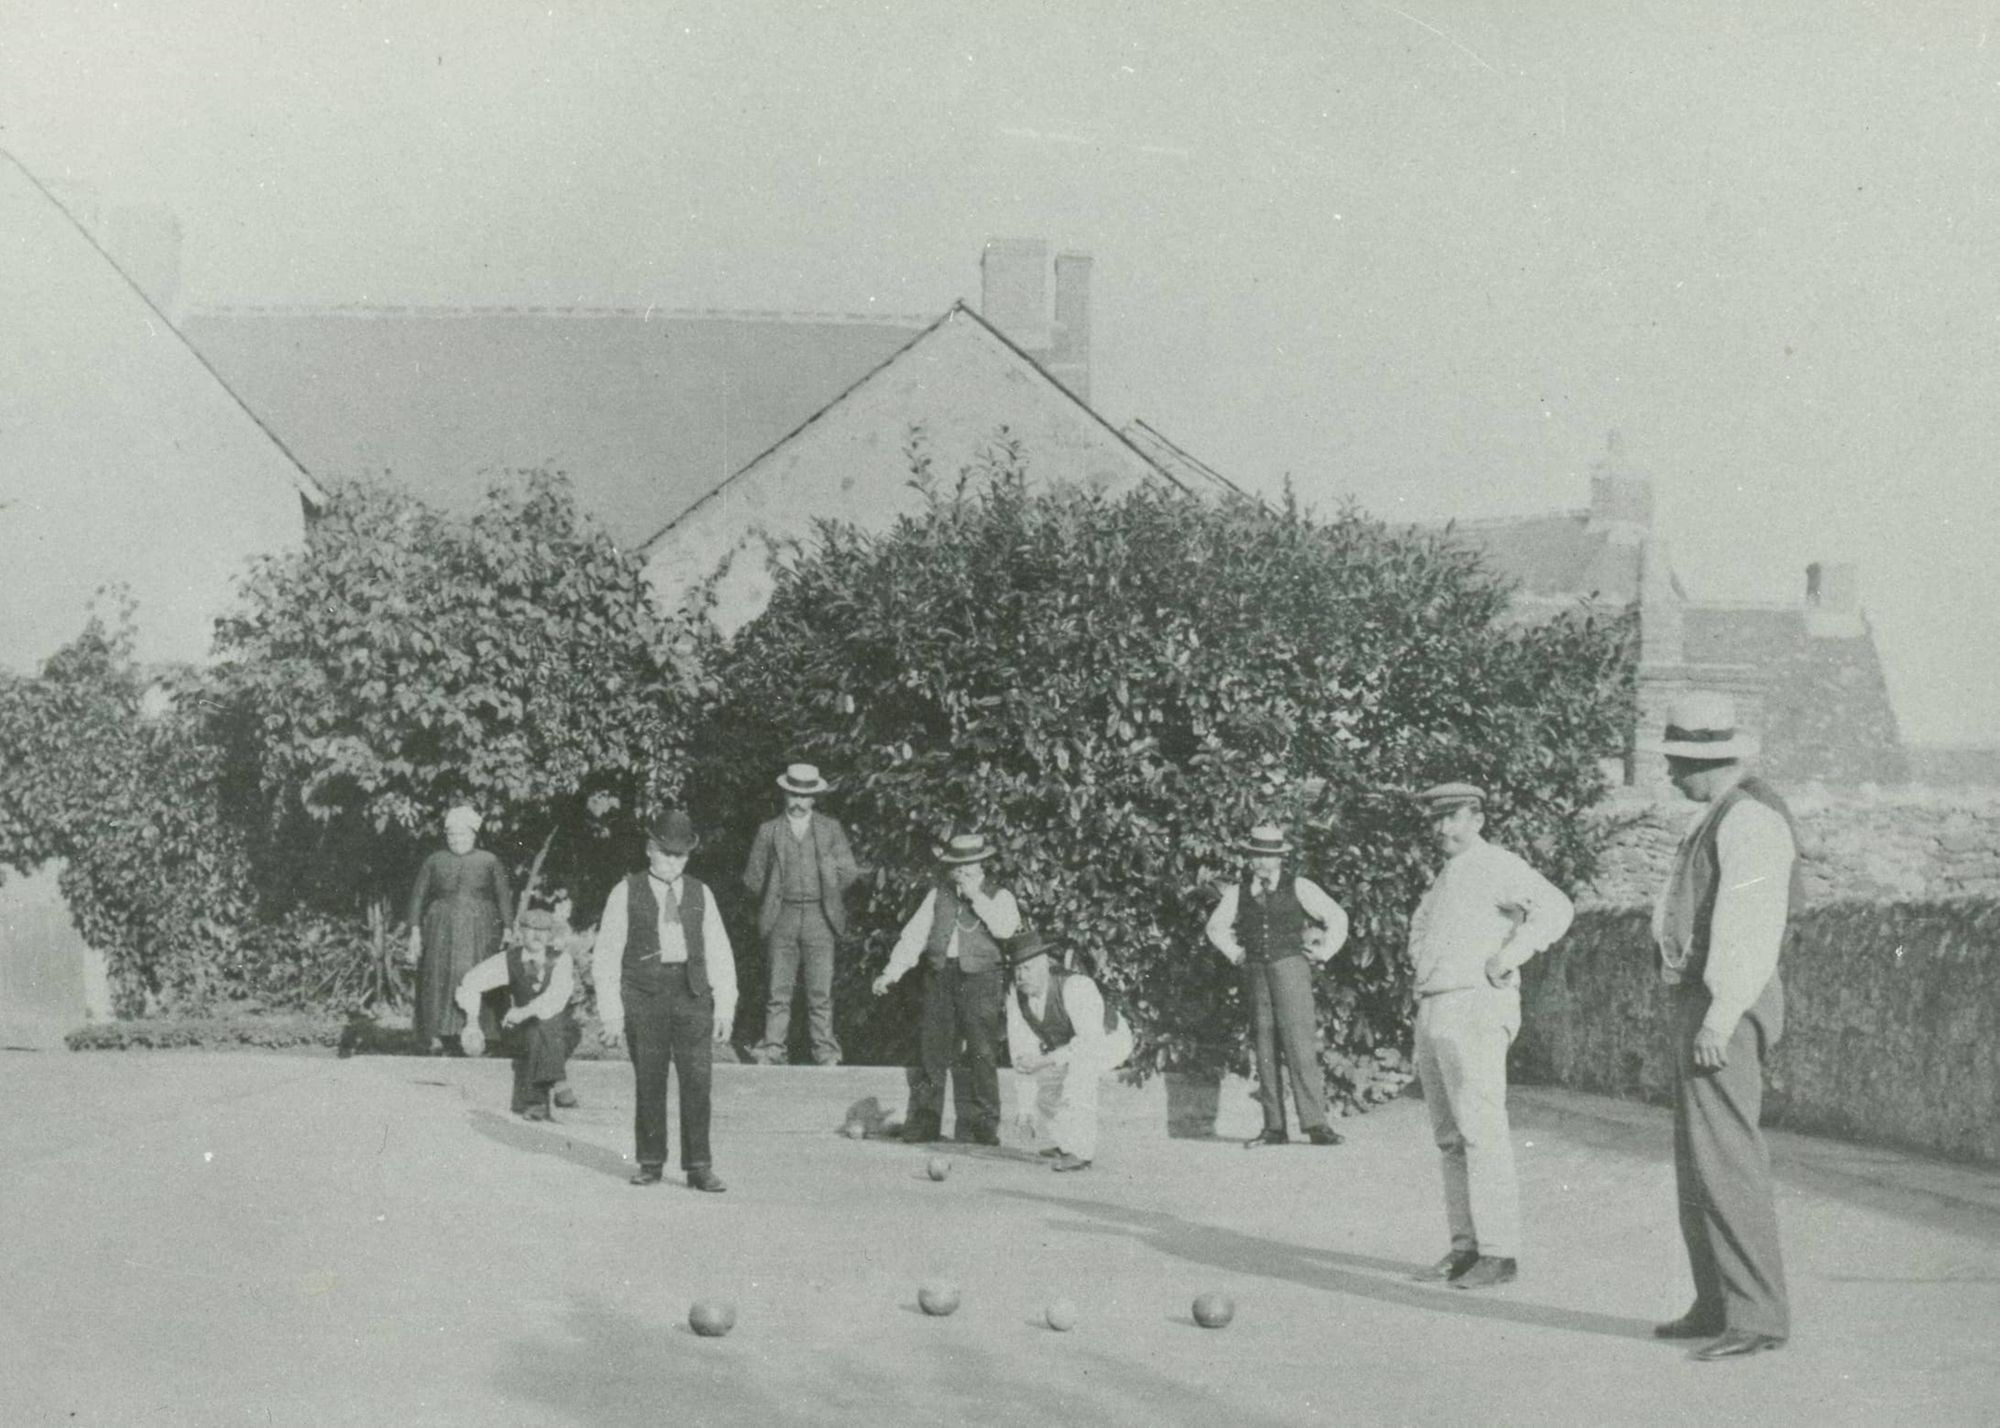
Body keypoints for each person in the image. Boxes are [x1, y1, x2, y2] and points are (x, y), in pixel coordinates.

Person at [1648, 692, 1796, 1360]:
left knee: (1727, 1159)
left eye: (1677, 763)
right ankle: (1716, 1302)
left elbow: (1750, 929)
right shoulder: (1716, 817)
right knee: (1699, 1163)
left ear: (1704, 761)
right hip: (1702, 1002)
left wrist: (1720, 1015)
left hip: (1723, 1007)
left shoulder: (1751, 820)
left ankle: (1756, 1315)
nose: (1670, 774)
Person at [1404, 782, 1575, 1291]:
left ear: (1476, 820)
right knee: (1450, 1138)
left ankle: (1499, 1252)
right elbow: (1421, 930)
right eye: (1436, 820)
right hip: (1436, 1005)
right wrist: (1421, 961)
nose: (1443, 829)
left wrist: (1508, 957)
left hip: (1475, 1004)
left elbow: (1556, 909)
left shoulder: (1496, 864)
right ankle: (1466, 1247)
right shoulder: (1448, 875)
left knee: (1481, 1129)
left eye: (1453, 817)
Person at [593, 809, 737, 1192]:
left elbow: (719, 951)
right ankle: (651, 1161)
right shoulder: (626, 891)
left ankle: (699, 1165)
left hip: (692, 993)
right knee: (650, 1079)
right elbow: (606, 954)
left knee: (698, 1080)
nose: (673, 862)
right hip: (645, 995)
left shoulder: (701, 892)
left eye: (680, 855)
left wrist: (725, 1006)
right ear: (649, 849)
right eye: (666, 853)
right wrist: (611, 1013)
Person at [1205, 823, 1349, 1148]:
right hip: (1256, 972)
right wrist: (1236, 953)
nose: (1262, 862)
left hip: (1291, 969)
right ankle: (1274, 1127)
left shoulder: (1300, 886)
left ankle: (1316, 1124)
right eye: (1256, 856)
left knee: (1300, 1044)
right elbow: (1215, 927)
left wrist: (1324, 951)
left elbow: (1337, 917)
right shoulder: (1238, 892)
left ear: (1281, 858)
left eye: (1268, 856)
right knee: (1264, 1045)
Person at [871, 833, 1020, 1146]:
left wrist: (976, 897)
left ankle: (983, 1127)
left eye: (970, 864)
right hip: (941, 977)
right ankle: (925, 1123)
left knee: (982, 1052)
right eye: (957, 865)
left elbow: (1006, 929)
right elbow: (914, 936)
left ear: (981, 865)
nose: (963, 871)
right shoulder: (938, 895)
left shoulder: (999, 895)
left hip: (982, 979)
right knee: (932, 1052)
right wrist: (891, 973)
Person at [742, 762, 863, 1067]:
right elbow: (753, 878)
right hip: (782, 916)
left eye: (804, 796)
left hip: (819, 917)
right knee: (777, 989)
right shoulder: (769, 830)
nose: (798, 802)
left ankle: (825, 1051)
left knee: (820, 990)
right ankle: (773, 1048)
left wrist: (828, 889)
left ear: (814, 798)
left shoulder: (829, 829)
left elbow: (849, 870)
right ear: (784, 794)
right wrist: (774, 895)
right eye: (793, 795)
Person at [1004, 930, 1134, 1172]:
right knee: (1046, 1092)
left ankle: (1081, 1152)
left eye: (1028, 968)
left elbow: (1088, 1043)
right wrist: (1024, 1110)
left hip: (1109, 1041)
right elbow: (1021, 1053)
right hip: (1071, 1047)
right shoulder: (1017, 995)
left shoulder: (1076, 986)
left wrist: (1044, 1061)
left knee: (1079, 1076)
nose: (1021, 976)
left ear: (1044, 965)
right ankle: (1066, 1143)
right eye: (1017, 969)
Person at [454, 907, 579, 1121]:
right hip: (522, 1031)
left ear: (550, 934)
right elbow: (470, 983)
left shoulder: (561, 959)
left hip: (562, 1029)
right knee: (535, 1032)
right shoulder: (508, 960)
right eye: (531, 929)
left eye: (543, 931)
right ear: (520, 931)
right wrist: (472, 1022)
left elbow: (555, 999)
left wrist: (522, 1012)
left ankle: (536, 1102)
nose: (537, 936)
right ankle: (558, 1083)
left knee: (543, 1025)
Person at [407, 805, 513, 1055]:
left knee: (477, 973)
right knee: (438, 976)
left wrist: (508, 927)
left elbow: (503, 896)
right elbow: (418, 896)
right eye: (451, 835)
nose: (457, 839)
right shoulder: (434, 860)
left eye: (462, 834)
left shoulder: (488, 860)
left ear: (473, 835)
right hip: (440, 927)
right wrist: (414, 929)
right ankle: (437, 1035)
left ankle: (484, 1035)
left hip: (481, 928)